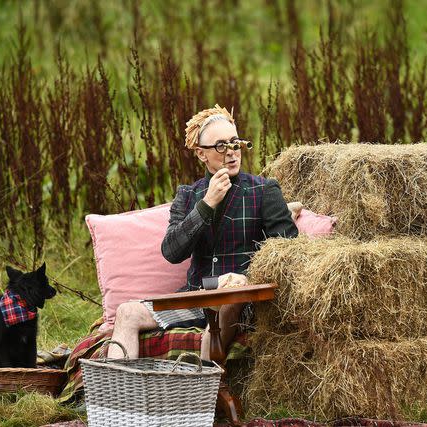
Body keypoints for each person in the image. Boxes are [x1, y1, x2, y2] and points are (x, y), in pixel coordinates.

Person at [108, 104, 298, 360]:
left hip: (241, 301)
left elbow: (288, 251)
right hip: (195, 298)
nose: (231, 153)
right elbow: (172, 252)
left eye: (235, 143)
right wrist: (206, 205)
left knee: (228, 302)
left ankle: (202, 393)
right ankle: (118, 396)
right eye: (221, 146)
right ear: (201, 154)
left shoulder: (264, 191)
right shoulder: (187, 196)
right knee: (127, 313)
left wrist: (245, 278)